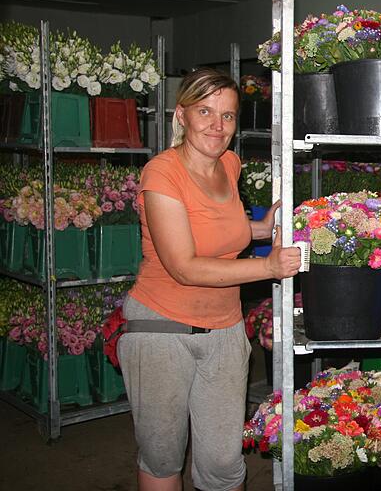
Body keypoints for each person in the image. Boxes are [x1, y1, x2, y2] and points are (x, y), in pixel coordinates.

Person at [118, 67, 300, 491]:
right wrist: (268, 267)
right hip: (162, 330)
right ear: (181, 116)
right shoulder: (162, 174)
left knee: (223, 461)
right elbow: (184, 265)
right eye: (205, 112)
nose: (217, 127)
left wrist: (260, 228)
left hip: (224, 333)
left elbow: (221, 229)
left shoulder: (229, 164)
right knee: (163, 457)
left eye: (229, 116)